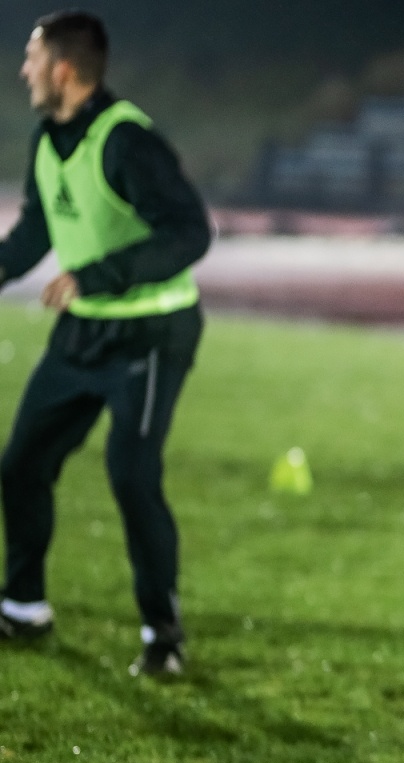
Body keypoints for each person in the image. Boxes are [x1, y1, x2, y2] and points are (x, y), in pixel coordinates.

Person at [0, 11, 210, 675]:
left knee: (131, 475)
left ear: (63, 70)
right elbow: (37, 230)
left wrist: (94, 275)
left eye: (32, 59)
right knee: (22, 464)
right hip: (84, 330)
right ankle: (24, 606)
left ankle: (163, 636)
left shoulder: (127, 140)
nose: (24, 71)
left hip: (152, 332)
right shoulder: (48, 138)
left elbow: (190, 233)